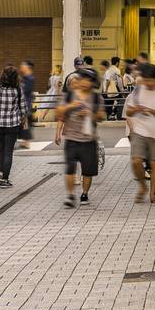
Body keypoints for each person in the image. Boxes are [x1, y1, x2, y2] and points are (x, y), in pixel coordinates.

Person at [124, 63, 155, 204]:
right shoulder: (138, 90)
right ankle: (142, 186)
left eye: (150, 81)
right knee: (136, 161)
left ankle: (153, 194)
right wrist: (135, 109)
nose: (147, 84)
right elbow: (128, 111)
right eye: (145, 80)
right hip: (139, 130)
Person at [55, 71, 104, 209]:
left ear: (92, 83)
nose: (84, 82)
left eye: (88, 80)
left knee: (87, 170)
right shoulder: (70, 95)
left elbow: (101, 116)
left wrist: (90, 114)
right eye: (82, 79)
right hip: (71, 137)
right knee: (70, 168)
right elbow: (59, 113)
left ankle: (84, 194)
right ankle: (70, 195)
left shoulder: (96, 98)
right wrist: (70, 106)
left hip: (89, 139)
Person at [0, 66, 27, 189]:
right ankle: (5, 179)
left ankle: (0, 174)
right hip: (13, 125)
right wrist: (23, 120)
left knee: (1, 149)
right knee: (8, 151)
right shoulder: (18, 90)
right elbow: (23, 108)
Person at [18, 60, 37, 144]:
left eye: (23, 66)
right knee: (25, 122)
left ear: (27, 68)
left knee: (26, 121)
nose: (21, 67)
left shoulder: (29, 78)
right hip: (24, 103)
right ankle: (25, 141)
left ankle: (26, 141)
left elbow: (26, 91)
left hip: (26, 103)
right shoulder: (25, 77)